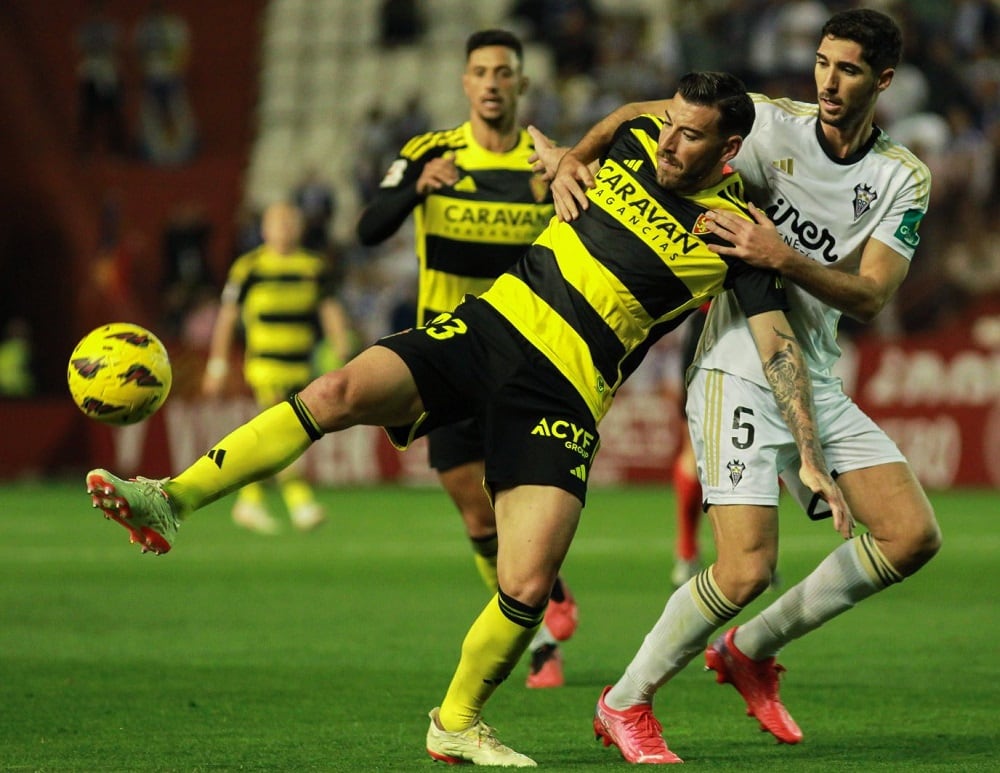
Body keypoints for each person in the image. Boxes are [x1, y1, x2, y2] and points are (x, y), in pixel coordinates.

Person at [85, 71, 850, 767]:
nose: (669, 142)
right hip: (487, 329)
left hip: (566, 392)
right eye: (671, 123)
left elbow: (777, 346)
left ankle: (456, 719)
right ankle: (170, 497)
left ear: (730, 148)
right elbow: (627, 116)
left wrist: (808, 456)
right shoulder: (636, 140)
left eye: (691, 134)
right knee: (340, 389)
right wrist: (570, 158)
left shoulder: (734, 236)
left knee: (526, 579)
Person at [532, 8, 941, 762]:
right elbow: (642, 115)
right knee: (745, 564)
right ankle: (624, 699)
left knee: (911, 535)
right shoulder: (768, 123)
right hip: (733, 362)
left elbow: (872, 295)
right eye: (822, 61)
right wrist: (572, 157)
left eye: (847, 69)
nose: (827, 80)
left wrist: (782, 255)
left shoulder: (900, 177)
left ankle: (748, 650)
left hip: (812, 366)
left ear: (882, 80)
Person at [356, 29, 576, 690]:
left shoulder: (546, 162)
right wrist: (416, 188)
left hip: (526, 358)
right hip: (448, 360)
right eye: (479, 71)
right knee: (478, 514)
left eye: (502, 72)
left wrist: (565, 194)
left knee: (523, 505)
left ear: (521, 84)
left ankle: (538, 631)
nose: (490, 83)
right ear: (464, 82)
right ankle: (542, 615)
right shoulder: (432, 151)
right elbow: (370, 227)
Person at [202, 201, 353, 534]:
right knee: (284, 431)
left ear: (299, 228)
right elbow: (227, 317)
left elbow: (330, 309)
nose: (284, 229)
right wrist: (217, 364)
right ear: (265, 229)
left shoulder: (313, 266)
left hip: (301, 365)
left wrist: (343, 348)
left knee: (282, 434)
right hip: (266, 366)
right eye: (277, 223)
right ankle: (300, 503)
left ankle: (249, 500)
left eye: (290, 222)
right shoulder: (249, 267)